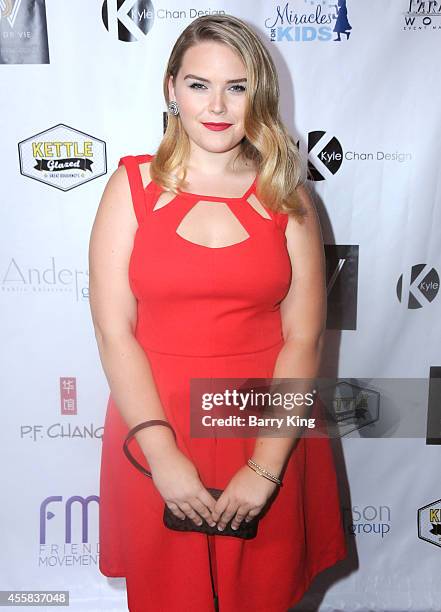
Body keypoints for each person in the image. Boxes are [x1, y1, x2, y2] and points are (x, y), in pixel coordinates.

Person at [89, 13, 347, 612]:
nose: (218, 105)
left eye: (238, 87)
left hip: (264, 427)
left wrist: (265, 468)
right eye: (199, 84)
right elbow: (113, 331)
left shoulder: (290, 197)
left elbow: (303, 339)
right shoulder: (130, 186)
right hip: (155, 421)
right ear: (171, 88)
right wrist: (161, 455)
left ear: (260, 94)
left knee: (261, 594)